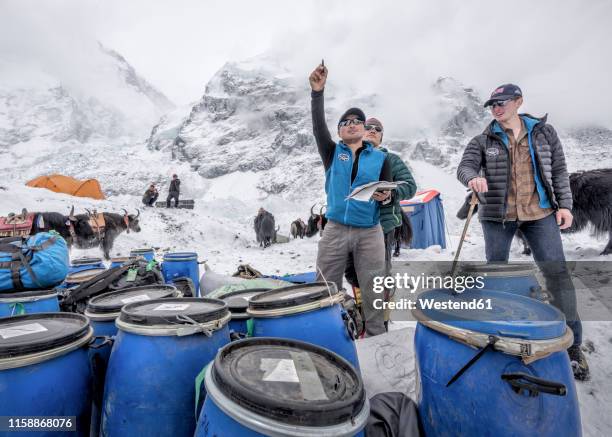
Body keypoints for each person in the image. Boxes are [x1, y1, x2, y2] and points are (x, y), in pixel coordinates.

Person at [457, 83, 589, 380]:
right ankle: (498, 334)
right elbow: (464, 167)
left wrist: (564, 206)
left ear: (518, 102)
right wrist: (473, 178)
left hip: (539, 215)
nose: (496, 108)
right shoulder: (483, 140)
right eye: (492, 104)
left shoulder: (544, 133)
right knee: (497, 273)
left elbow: (558, 171)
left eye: (502, 102)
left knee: (557, 275)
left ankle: (574, 345)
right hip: (497, 219)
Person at [310, 62, 392, 337]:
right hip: (334, 229)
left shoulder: (381, 158)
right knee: (326, 284)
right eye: (345, 123)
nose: (352, 124)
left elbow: (388, 193)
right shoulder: (332, 153)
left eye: (357, 121)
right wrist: (317, 93)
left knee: (373, 287)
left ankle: (377, 336)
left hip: (370, 231)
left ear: (364, 127)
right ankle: (329, 332)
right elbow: (317, 126)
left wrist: (385, 195)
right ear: (339, 132)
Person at [344, 117, 417, 332]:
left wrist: (389, 194)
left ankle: (380, 323)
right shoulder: (348, 160)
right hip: (350, 226)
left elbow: (409, 186)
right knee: (352, 272)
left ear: (381, 136)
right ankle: (363, 312)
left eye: (378, 129)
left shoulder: (391, 159)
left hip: (381, 227)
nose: (373, 130)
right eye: (368, 127)